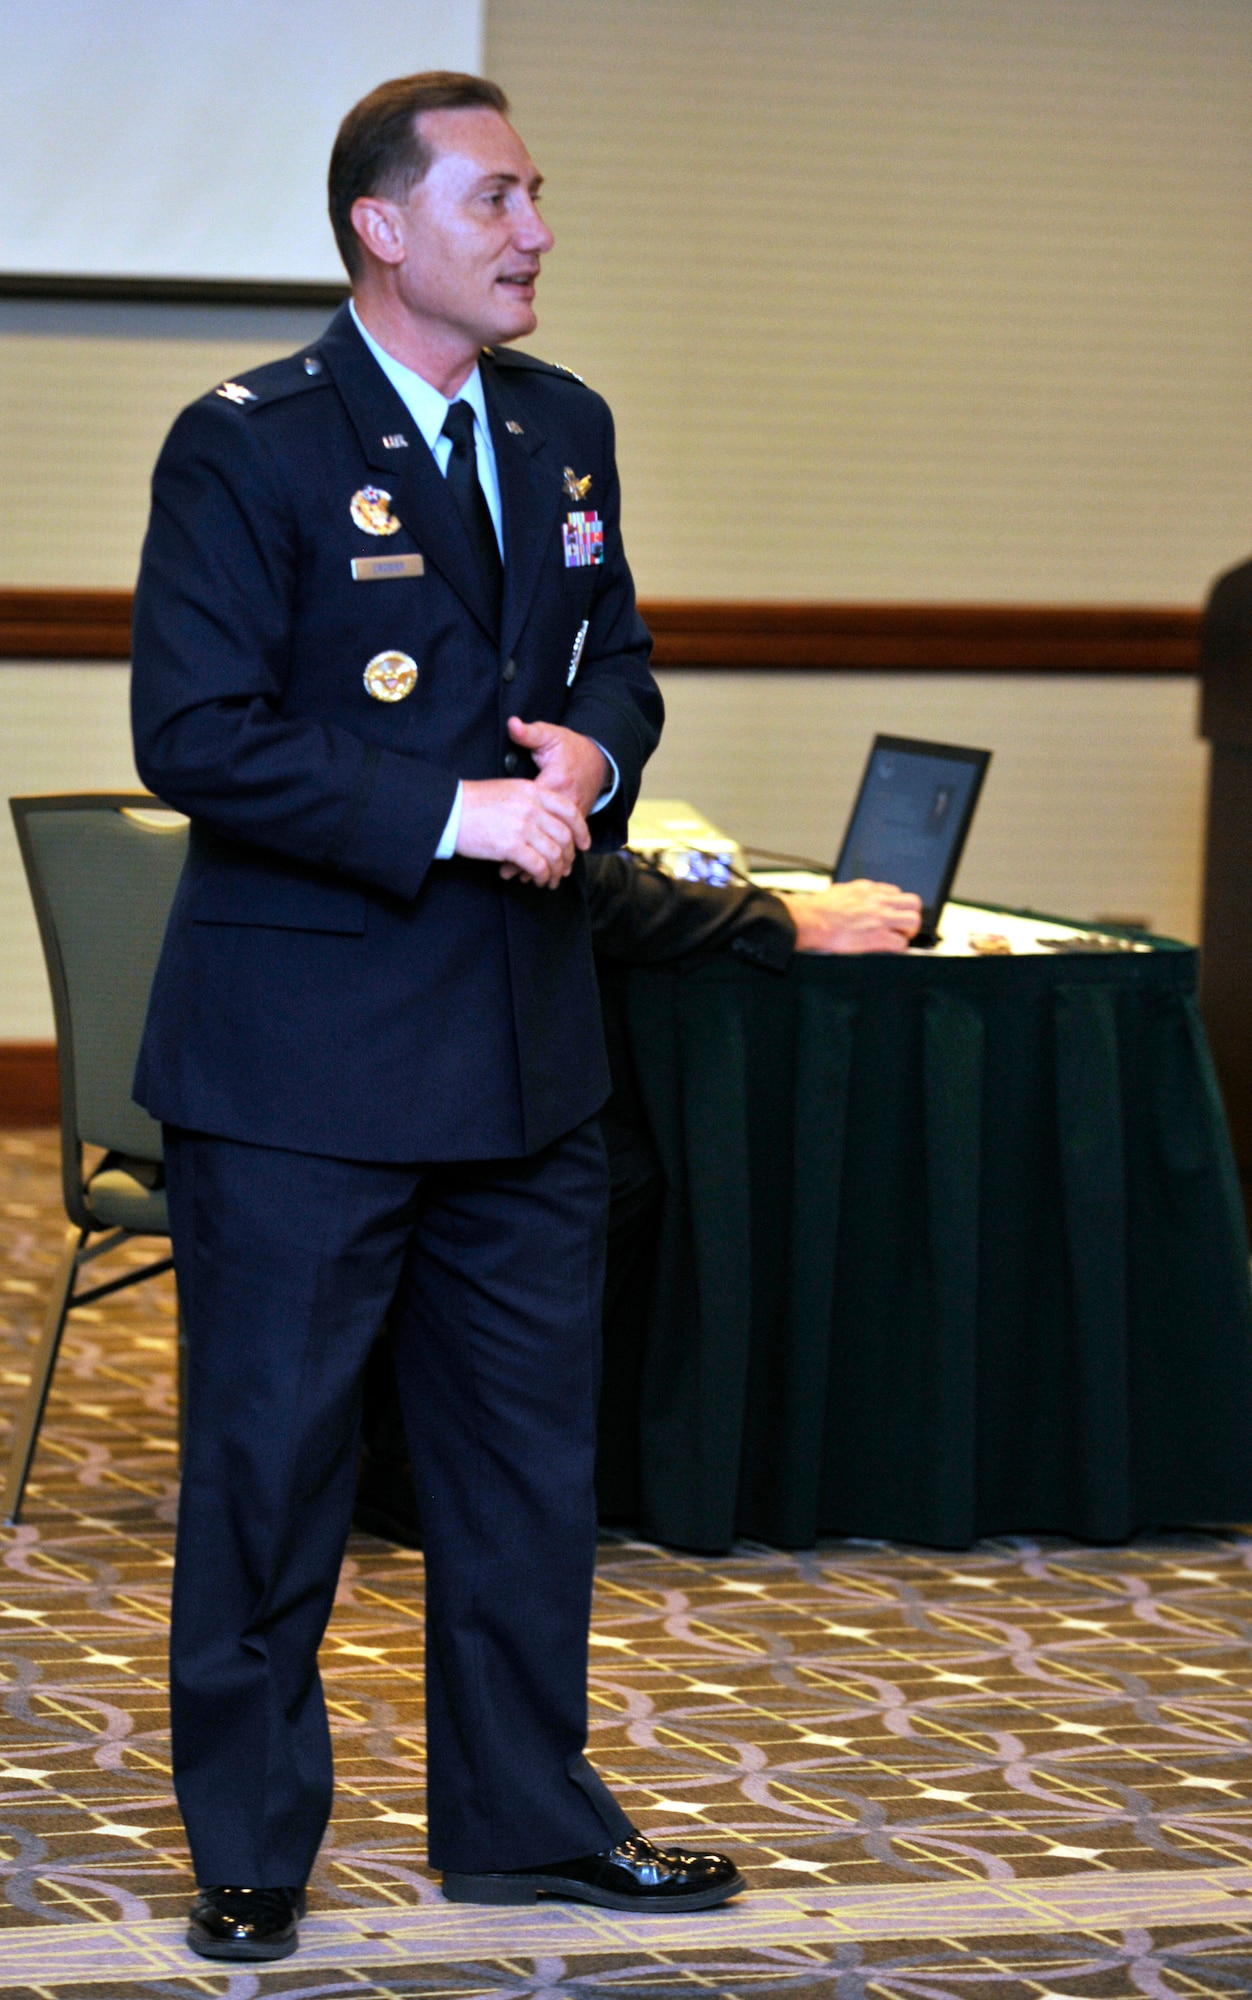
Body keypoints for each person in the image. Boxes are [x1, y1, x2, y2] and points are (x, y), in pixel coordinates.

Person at [130, 70, 742, 1964]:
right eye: (494, 199)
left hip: (523, 1056)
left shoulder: (565, 428)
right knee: (273, 1466)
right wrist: (453, 809)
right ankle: (251, 1842)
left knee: (522, 1478)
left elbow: (615, 652)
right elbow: (196, 736)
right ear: (383, 229)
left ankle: (523, 1821)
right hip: (303, 1068)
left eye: (537, 194)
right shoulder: (249, 444)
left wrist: (598, 749)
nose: (535, 230)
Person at [355, 855, 922, 1536]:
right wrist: (781, 916)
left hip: (384, 1017)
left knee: (610, 1157)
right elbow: (584, 893)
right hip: (403, 1035)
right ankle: (419, 1465)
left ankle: (431, 1456)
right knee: (602, 1168)